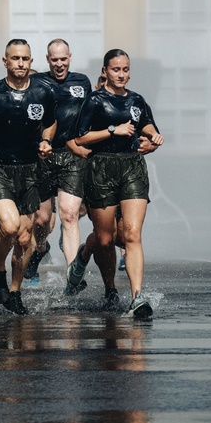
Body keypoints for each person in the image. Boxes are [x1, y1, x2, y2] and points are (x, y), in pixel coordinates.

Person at [67, 49, 164, 318]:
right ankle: (109, 287)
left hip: (131, 167)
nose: (121, 74)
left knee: (132, 235)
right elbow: (81, 138)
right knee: (105, 238)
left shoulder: (137, 100)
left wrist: (154, 138)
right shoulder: (95, 100)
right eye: (116, 70)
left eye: (125, 69)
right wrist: (113, 130)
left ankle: (136, 297)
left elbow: (147, 126)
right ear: (105, 71)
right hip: (101, 168)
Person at [0, 39, 56, 315]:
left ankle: (14, 291)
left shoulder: (43, 92)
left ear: (31, 61)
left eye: (25, 59)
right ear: (5, 61)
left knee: (26, 238)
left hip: (30, 170)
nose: (20, 63)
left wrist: (46, 140)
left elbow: (50, 122)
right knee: (10, 226)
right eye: (15, 58)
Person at [24, 39, 95, 288]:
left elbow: (91, 115)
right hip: (43, 155)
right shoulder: (37, 82)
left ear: (70, 57)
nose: (59, 64)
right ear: (47, 59)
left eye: (63, 59)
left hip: (71, 155)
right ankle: (40, 248)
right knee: (42, 220)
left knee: (69, 215)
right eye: (54, 60)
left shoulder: (82, 82)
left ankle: (72, 277)